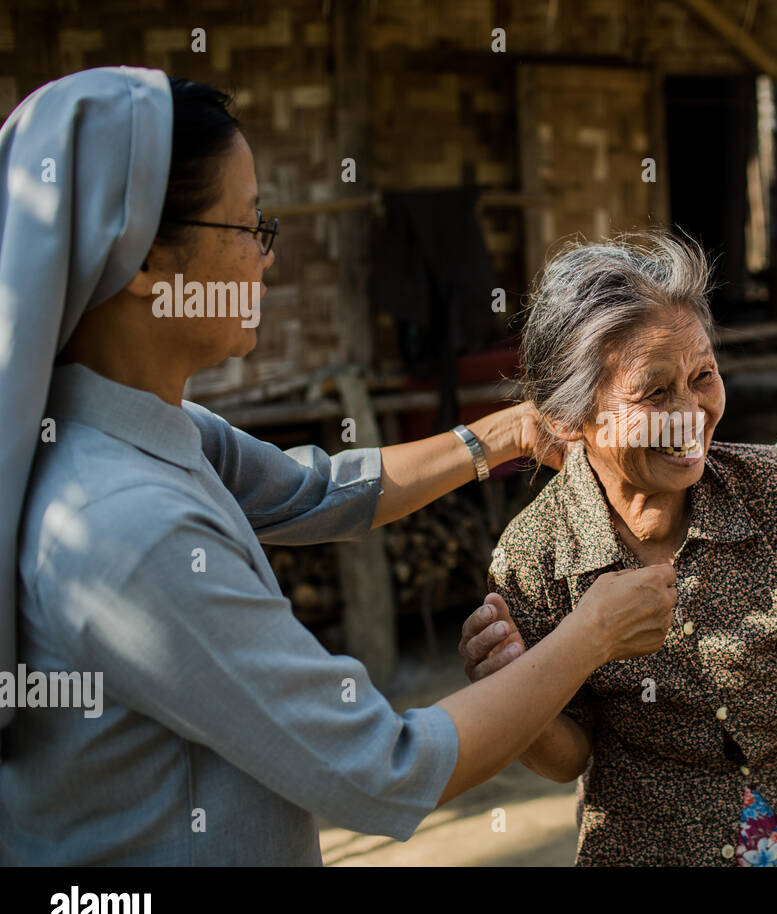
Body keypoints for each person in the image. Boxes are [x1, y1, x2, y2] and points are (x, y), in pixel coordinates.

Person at [0, 66, 675, 865]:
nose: (266, 259)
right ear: (144, 259)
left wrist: (505, 432)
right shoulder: (129, 527)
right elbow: (382, 768)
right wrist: (593, 632)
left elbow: (316, 491)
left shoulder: (139, 428)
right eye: (248, 227)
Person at [457, 232, 777, 866]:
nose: (691, 414)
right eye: (655, 393)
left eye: (703, 377)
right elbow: (567, 755)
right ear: (571, 418)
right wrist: (515, 687)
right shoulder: (536, 554)